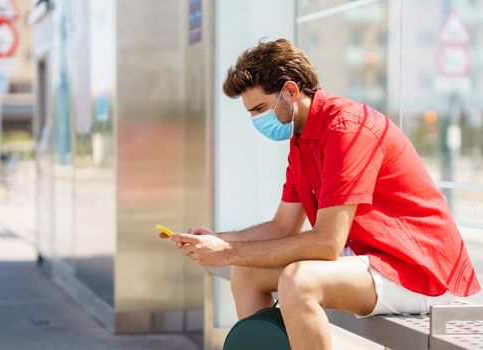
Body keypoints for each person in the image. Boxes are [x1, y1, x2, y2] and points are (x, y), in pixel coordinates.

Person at [159, 39, 481, 350]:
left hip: (421, 270)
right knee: (245, 274)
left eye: (259, 108)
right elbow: (282, 227)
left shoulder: (346, 129)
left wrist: (227, 252)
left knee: (299, 281)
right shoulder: (300, 140)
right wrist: (216, 239)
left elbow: (327, 244)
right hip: (371, 258)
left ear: (290, 91)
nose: (256, 120)